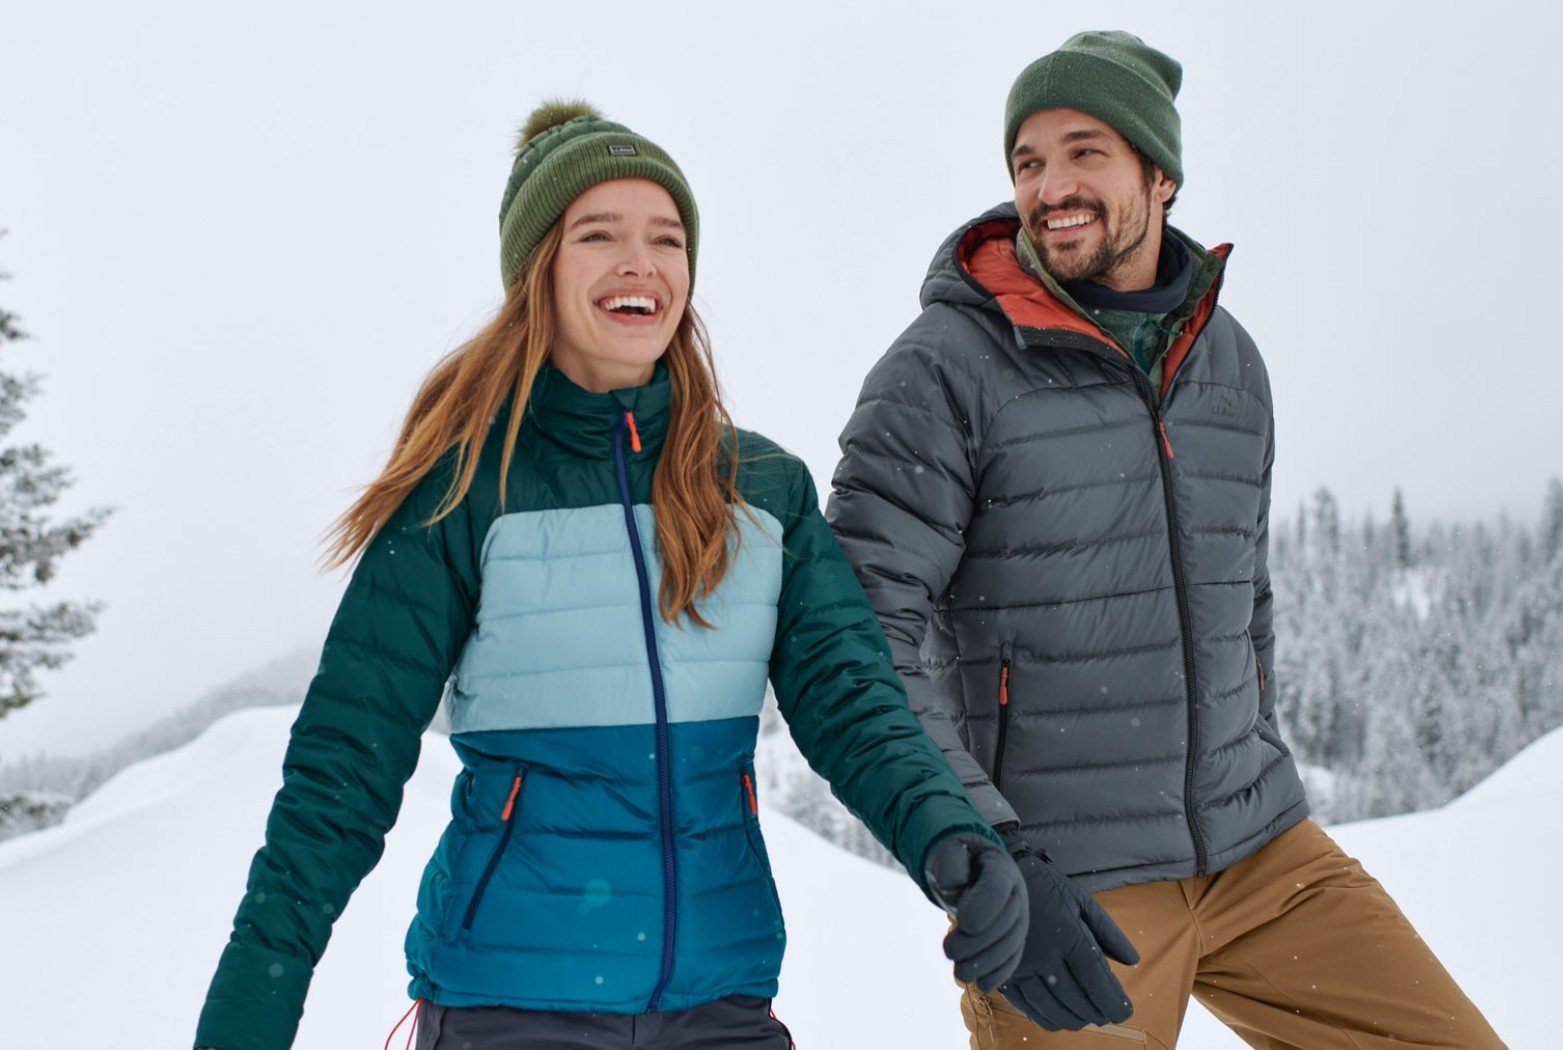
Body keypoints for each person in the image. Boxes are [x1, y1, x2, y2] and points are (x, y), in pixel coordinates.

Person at [194, 101, 1030, 1050]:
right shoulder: (464, 494)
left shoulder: (763, 490)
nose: (642, 262)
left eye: (666, 238)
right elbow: (342, 774)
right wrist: (249, 1011)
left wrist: (949, 836)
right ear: (537, 271)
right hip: (510, 1010)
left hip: (721, 1006)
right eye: (599, 235)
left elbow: (853, 703)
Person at [826, 32, 1505, 1049]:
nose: (1050, 185)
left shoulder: (1230, 365)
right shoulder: (943, 369)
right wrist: (986, 854)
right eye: (1027, 160)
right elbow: (860, 638)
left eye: (1084, 152)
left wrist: (1252, 755)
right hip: (1069, 880)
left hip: (1260, 855)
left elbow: (1245, 599)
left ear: (1161, 175)